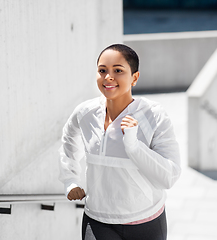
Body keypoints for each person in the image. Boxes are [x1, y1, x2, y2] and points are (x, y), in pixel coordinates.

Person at [58, 44, 181, 240]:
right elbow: (68, 139)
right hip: (98, 219)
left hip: (146, 221)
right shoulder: (85, 113)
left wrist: (133, 146)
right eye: (102, 70)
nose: (108, 77)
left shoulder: (154, 115)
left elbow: (169, 176)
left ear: (134, 77)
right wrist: (70, 180)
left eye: (118, 70)